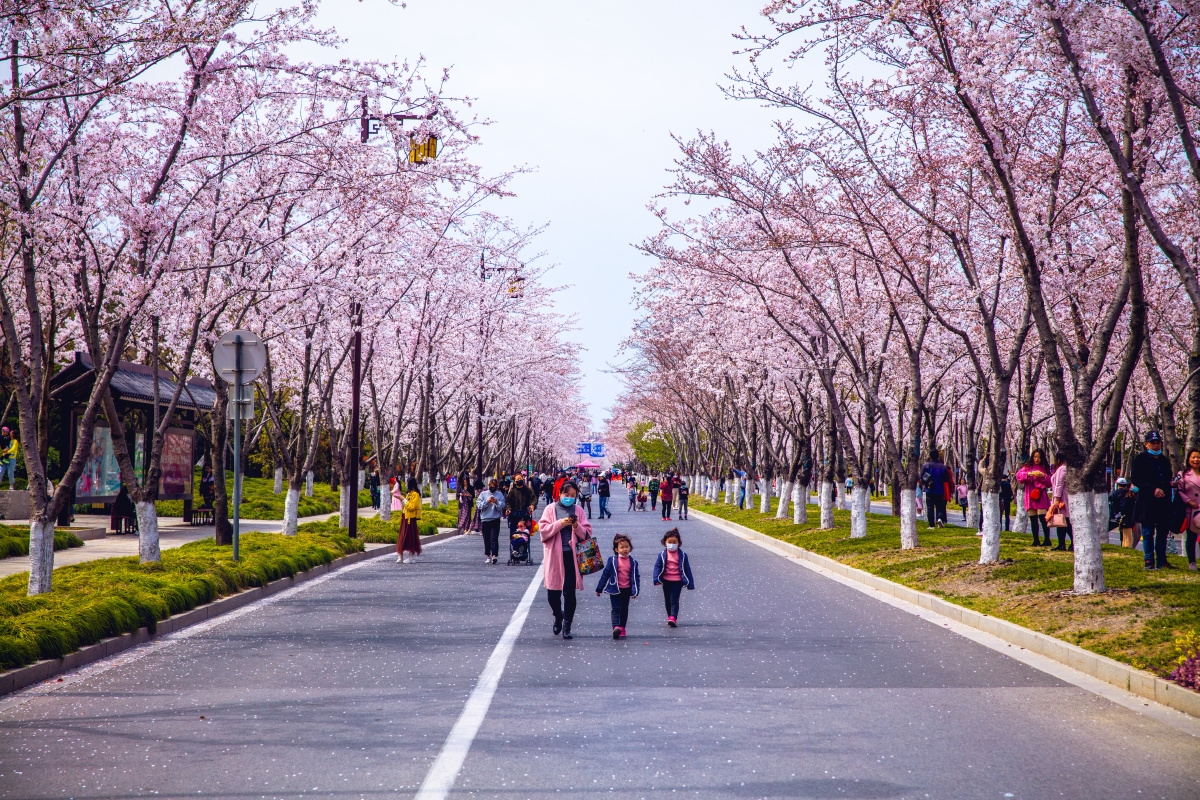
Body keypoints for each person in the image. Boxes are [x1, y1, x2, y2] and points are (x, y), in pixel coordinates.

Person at [539, 481, 593, 640]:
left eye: (573, 496)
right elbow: (543, 532)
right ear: (559, 494)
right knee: (552, 593)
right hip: (554, 556)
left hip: (572, 556)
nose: (569, 498)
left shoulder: (579, 510)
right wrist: (559, 524)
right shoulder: (550, 509)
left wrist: (576, 526)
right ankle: (558, 615)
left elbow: (587, 534)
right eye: (566, 495)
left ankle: (567, 625)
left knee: (569, 593)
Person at [1130, 430, 1174, 570]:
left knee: (1162, 533)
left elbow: (1167, 478)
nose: (1156, 446)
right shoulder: (1140, 459)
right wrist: (1152, 489)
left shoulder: (1164, 460)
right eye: (1152, 443)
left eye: (1158, 443)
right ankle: (1149, 560)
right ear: (1146, 444)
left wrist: (1171, 484)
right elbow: (1136, 479)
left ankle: (1162, 559)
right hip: (1147, 502)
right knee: (1148, 533)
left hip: (1163, 503)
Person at [595, 533, 639, 640]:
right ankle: (615, 627)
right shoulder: (612, 561)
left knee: (624, 609)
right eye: (622, 547)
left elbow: (636, 577)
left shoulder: (633, 562)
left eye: (627, 547)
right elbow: (605, 574)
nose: (625, 549)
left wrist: (635, 591)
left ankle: (622, 627)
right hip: (614, 589)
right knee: (615, 609)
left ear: (630, 548)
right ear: (616, 549)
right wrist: (599, 588)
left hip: (626, 590)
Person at [652, 528, 695, 627]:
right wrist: (656, 579)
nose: (672, 544)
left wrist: (690, 584)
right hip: (666, 581)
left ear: (678, 543)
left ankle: (673, 617)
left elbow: (687, 569)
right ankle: (670, 617)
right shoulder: (662, 555)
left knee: (674, 600)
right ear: (665, 543)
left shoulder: (683, 555)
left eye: (674, 542)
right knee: (667, 600)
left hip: (677, 582)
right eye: (669, 542)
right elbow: (657, 567)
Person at [1015, 450, 1053, 546]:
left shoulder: (1045, 468)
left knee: (1042, 517)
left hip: (1041, 494)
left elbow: (1050, 482)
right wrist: (1029, 474)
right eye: (1035, 457)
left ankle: (1047, 540)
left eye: (1039, 457)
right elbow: (1018, 475)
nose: (1037, 459)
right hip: (1030, 495)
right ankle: (1035, 540)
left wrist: (1043, 476)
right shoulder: (1027, 467)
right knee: (1033, 518)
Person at [1173, 449, 1200, 570]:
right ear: (1188, 459)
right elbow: (1179, 491)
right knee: (1191, 537)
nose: (1196, 460)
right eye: (1193, 457)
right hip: (1191, 509)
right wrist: (1188, 501)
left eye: (1198, 457)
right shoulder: (1183, 474)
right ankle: (1192, 562)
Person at [476, 478, 506, 565]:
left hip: (495, 519)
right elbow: (479, 505)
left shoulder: (499, 495)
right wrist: (487, 502)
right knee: (486, 538)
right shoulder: (483, 494)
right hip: (485, 519)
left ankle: (494, 555)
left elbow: (502, 507)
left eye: (494, 487)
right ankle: (488, 555)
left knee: (494, 538)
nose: (492, 488)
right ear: (488, 486)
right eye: (491, 486)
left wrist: (497, 502)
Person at [1048, 452, 1073, 551]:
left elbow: (1059, 485)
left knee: (1064, 522)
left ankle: (1069, 543)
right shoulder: (1064, 468)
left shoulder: (1062, 469)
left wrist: (1057, 499)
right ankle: (1061, 544)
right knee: (1061, 522)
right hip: (1061, 497)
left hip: (1061, 498)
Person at [920, 451, 952, 528]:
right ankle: (940, 519)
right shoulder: (943, 467)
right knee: (940, 506)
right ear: (938, 457)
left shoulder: (926, 466)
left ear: (930, 457)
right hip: (940, 490)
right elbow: (946, 478)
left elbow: (921, 476)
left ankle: (931, 525)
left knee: (930, 507)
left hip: (929, 489)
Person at [398, 477, 423, 564]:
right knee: (403, 536)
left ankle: (411, 556)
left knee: (410, 537)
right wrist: (402, 499)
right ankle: (400, 556)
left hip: (410, 519)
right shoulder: (409, 494)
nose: (406, 484)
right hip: (405, 517)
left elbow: (411, 507)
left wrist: (403, 499)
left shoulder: (415, 494)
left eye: (407, 483)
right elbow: (406, 506)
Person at [505, 472, 536, 543]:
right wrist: (508, 509)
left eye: (520, 478)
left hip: (524, 513)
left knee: (524, 532)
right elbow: (508, 502)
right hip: (514, 514)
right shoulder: (512, 492)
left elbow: (533, 498)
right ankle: (514, 547)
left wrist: (532, 505)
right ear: (515, 482)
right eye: (517, 479)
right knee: (514, 532)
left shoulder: (527, 490)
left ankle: (524, 546)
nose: (519, 480)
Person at [1109, 477, 1138, 549]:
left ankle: (1123, 549)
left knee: (1124, 537)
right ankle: (1127, 551)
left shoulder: (1113, 493)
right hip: (1126, 518)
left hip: (1116, 517)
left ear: (1117, 484)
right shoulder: (1129, 494)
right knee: (1128, 538)